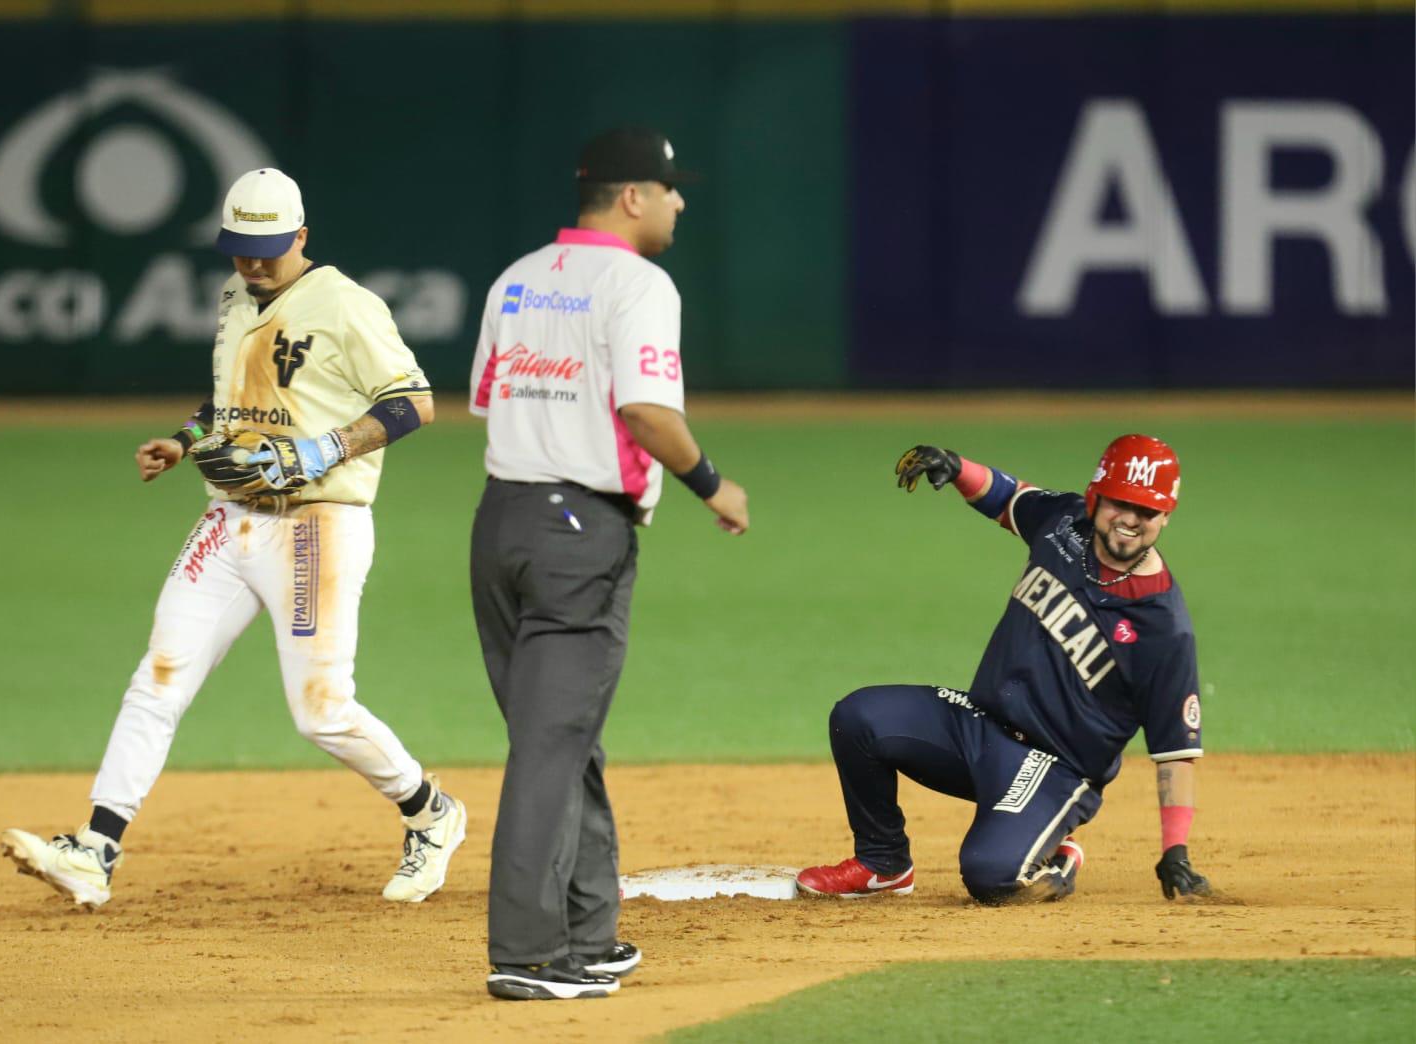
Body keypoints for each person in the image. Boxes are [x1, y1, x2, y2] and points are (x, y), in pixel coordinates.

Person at [1, 168, 466, 909]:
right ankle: (96, 849)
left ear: (301, 237)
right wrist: (184, 441)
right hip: (228, 519)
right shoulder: (235, 296)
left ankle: (431, 812)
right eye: (240, 248)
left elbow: (414, 401)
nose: (252, 262)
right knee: (159, 678)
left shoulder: (346, 305)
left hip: (317, 524)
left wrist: (326, 448)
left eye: (267, 249)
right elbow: (227, 402)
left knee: (321, 710)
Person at [469, 127, 750, 1000]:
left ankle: (588, 932)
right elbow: (647, 412)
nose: (679, 202)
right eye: (669, 188)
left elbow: (485, 398)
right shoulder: (638, 284)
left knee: (560, 731)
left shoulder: (517, 277)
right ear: (632, 197)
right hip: (577, 533)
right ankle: (530, 954)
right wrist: (713, 485)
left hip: (500, 523)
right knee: (552, 742)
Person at [797, 435, 1211, 904]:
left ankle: (1058, 854)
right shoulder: (1065, 524)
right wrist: (956, 467)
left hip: (1055, 768)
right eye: (1120, 502)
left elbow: (1175, 752)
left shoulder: (1163, 626)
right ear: (1095, 496)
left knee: (990, 876)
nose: (1131, 519)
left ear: (1166, 516)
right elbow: (1008, 497)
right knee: (858, 718)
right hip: (979, 726)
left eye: (1147, 510)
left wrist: (1176, 850)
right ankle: (883, 864)